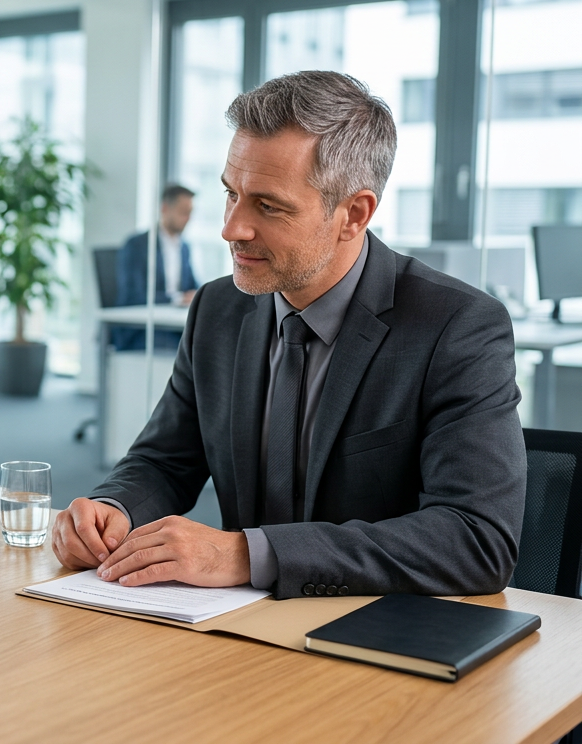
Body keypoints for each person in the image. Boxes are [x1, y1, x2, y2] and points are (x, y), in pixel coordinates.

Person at [52, 71, 525, 599]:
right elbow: (165, 459)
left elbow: (477, 540)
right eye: (231, 194)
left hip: (378, 636)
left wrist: (248, 553)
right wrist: (110, 510)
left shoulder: (457, 327)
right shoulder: (218, 308)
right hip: (236, 631)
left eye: (268, 206)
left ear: (354, 214)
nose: (232, 228)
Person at [112, 184, 199, 351]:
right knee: (181, 350)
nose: (188, 218)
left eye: (190, 213)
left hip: (171, 325)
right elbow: (133, 296)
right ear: (165, 208)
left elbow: (193, 285)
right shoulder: (137, 245)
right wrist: (178, 299)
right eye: (183, 212)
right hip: (140, 330)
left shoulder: (184, 247)